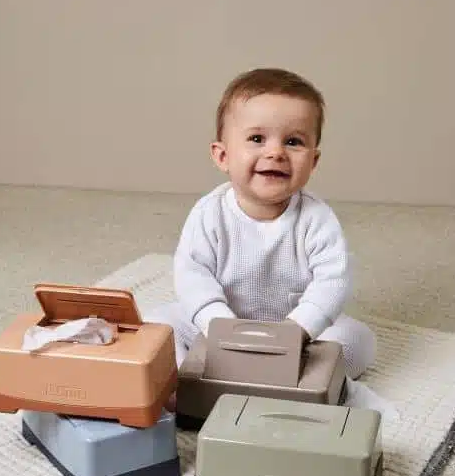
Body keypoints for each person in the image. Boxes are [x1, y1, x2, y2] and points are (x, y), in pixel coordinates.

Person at [147, 67, 377, 405]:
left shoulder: (317, 218)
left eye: (293, 142)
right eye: (257, 139)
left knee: (359, 341)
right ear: (223, 155)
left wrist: (300, 329)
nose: (276, 152)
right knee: (156, 324)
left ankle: (294, 381)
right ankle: (184, 382)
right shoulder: (209, 213)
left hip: (294, 331)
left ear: (313, 161)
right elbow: (192, 275)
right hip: (220, 326)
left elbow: (333, 280)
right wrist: (218, 326)